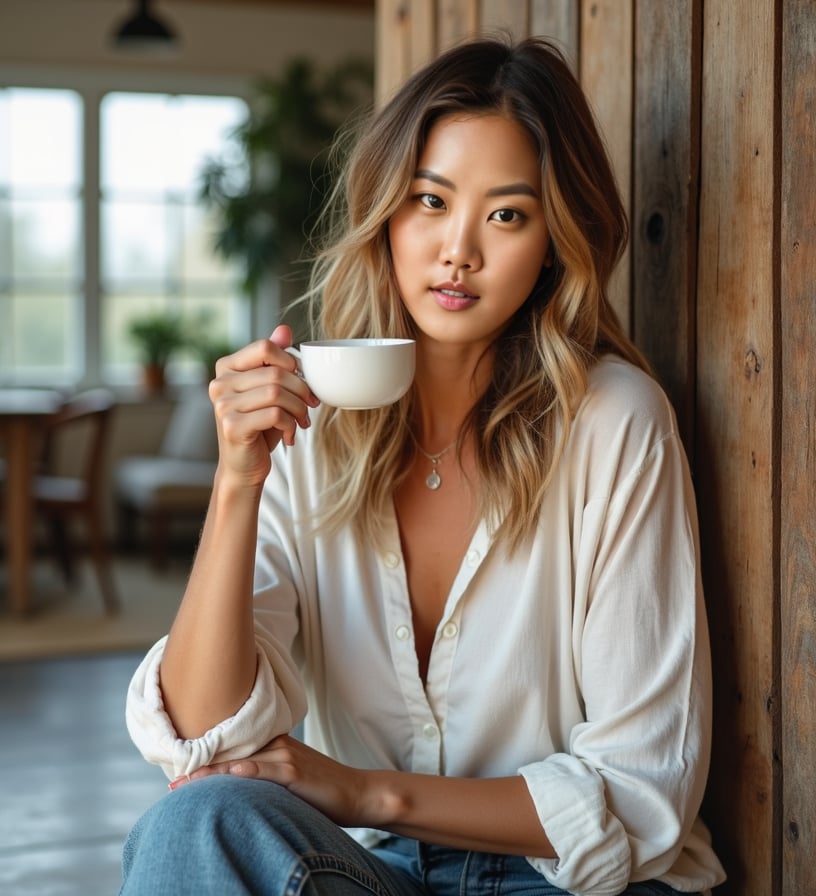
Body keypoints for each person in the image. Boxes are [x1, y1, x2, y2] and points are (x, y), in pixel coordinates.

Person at [120, 35, 727, 896]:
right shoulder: (314, 432)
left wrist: (369, 792)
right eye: (429, 201)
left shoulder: (617, 423)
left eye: (506, 214)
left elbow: (645, 785)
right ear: (386, 214)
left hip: (569, 882)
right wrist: (236, 483)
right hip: (374, 874)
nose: (459, 252)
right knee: (192, 824)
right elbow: (204, 741)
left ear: (554, 240)